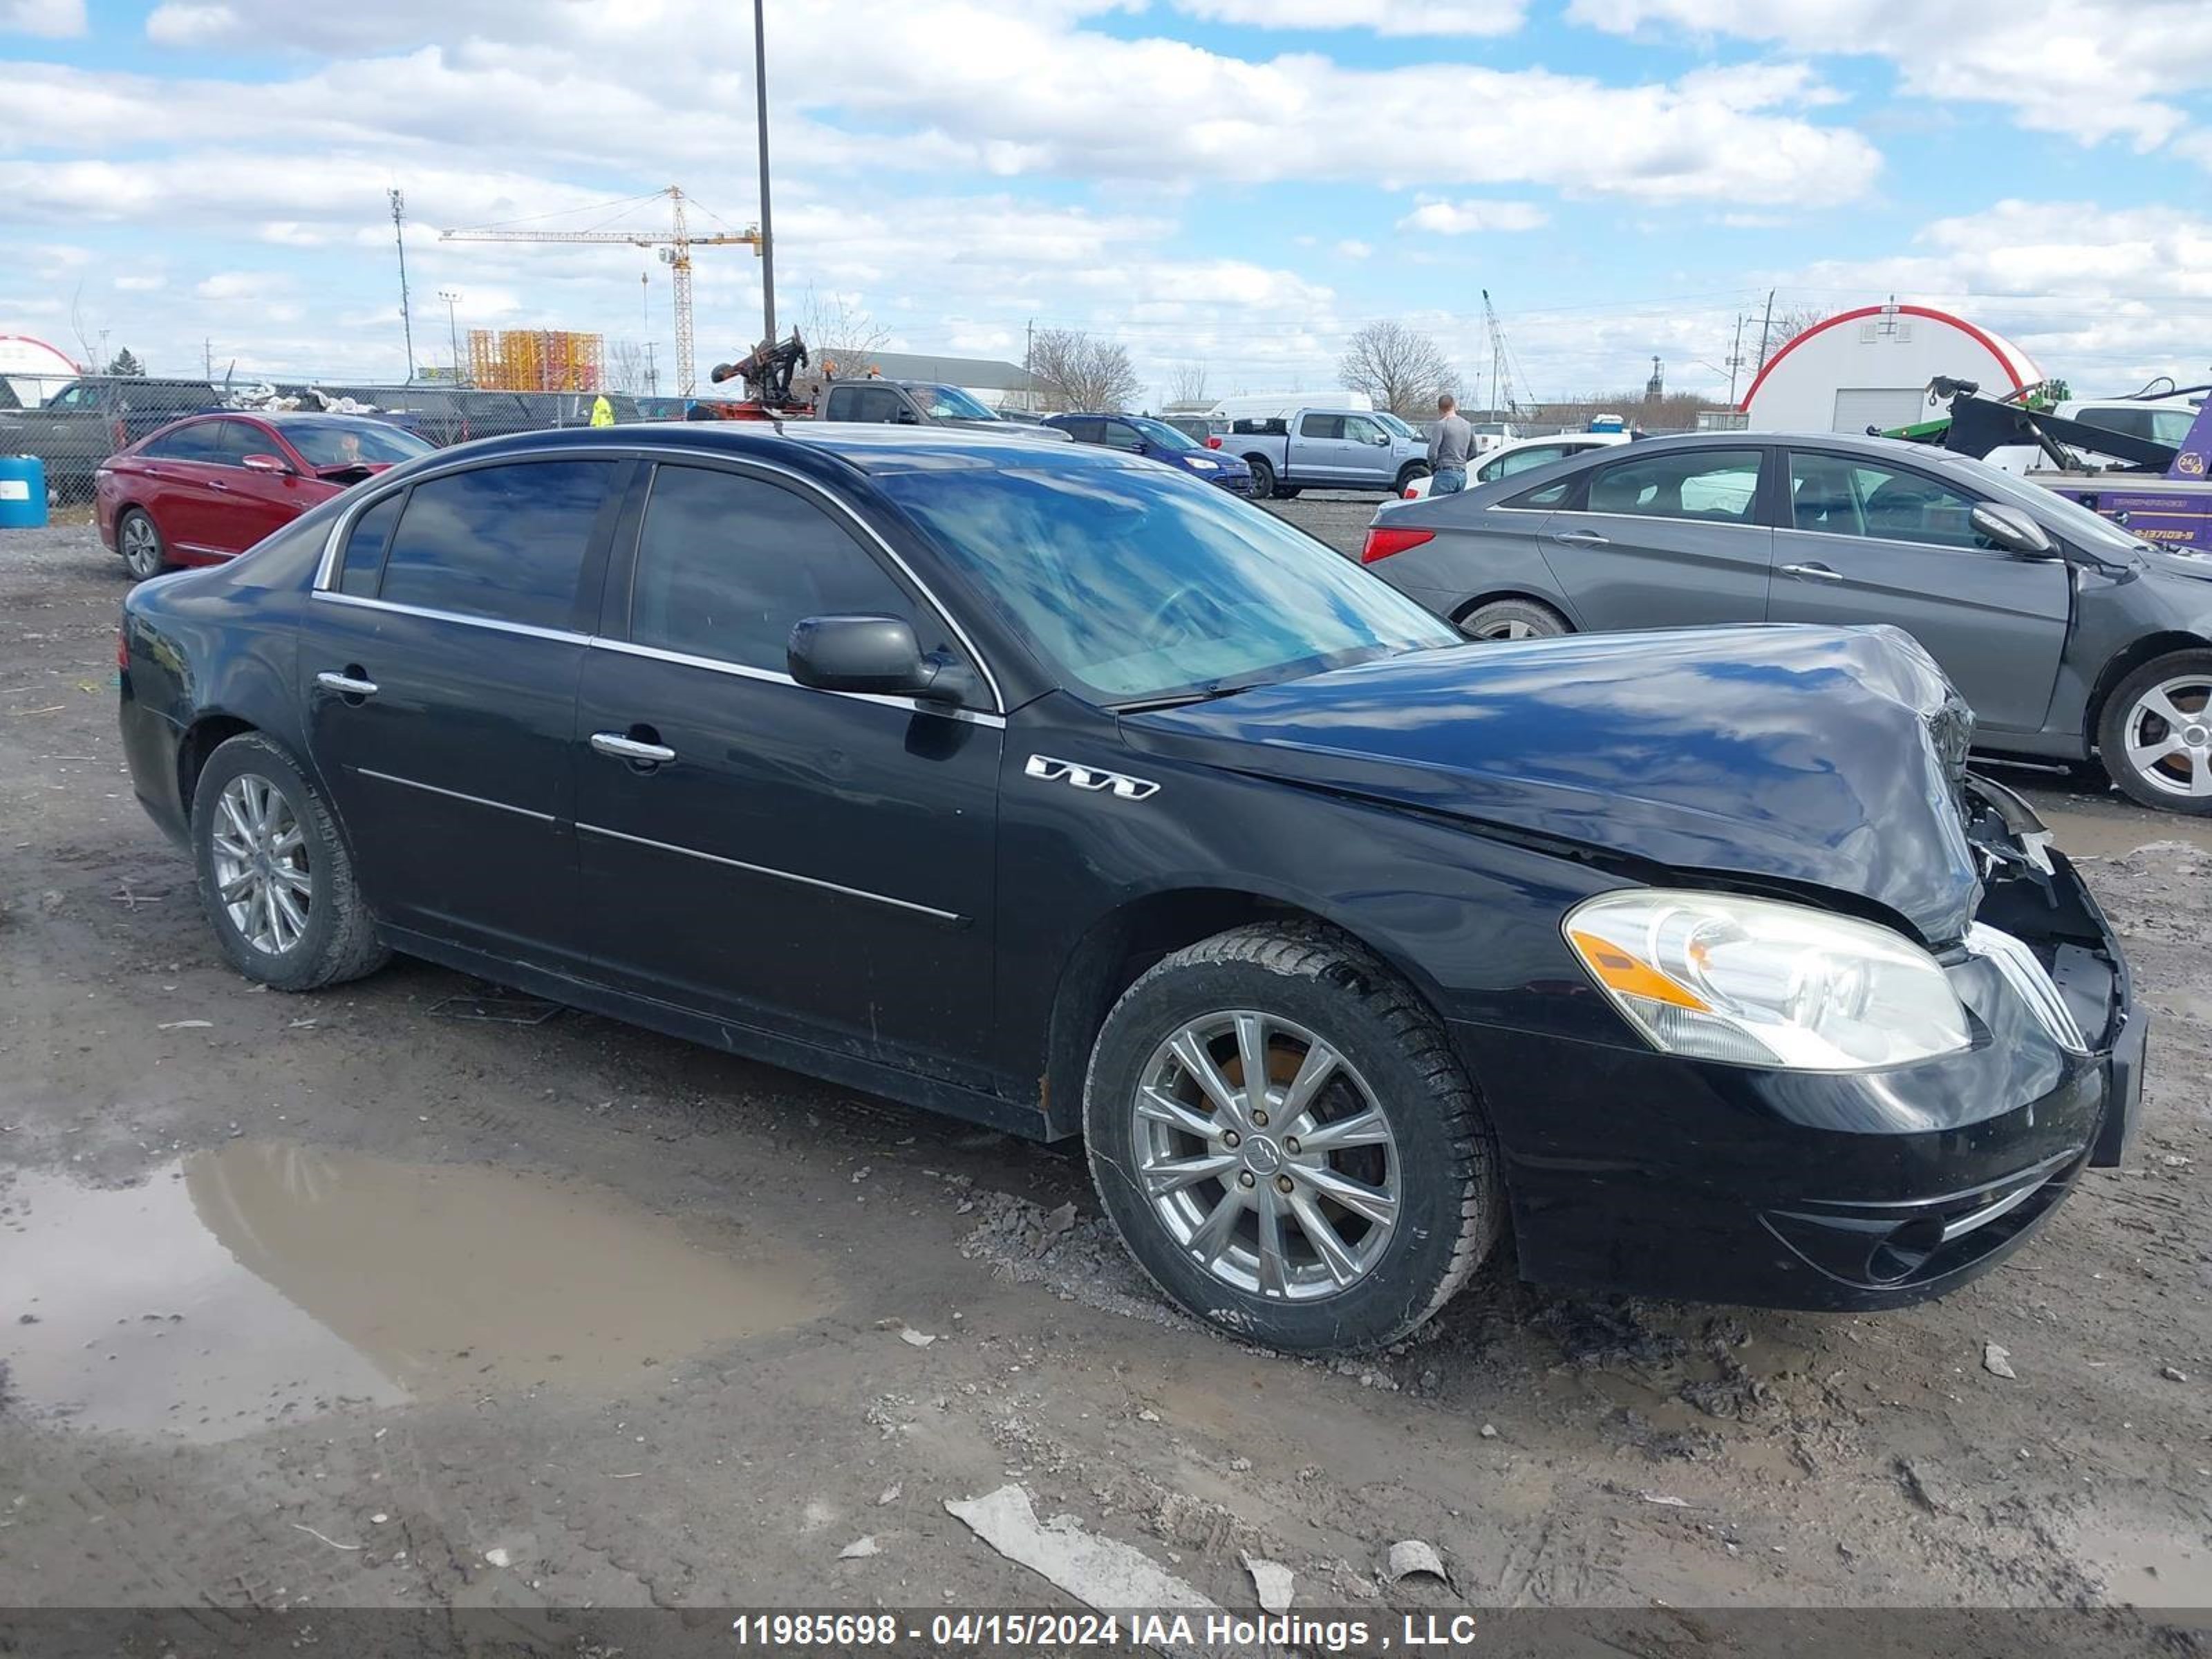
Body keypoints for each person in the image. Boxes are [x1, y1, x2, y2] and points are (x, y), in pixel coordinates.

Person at [1428, 393, 1472, 495]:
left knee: (1434, 508)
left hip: (1445, 473)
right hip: (1462, 474)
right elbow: (1473, 451)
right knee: (1453, 509)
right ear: (1454, 406)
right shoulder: (1467, 425)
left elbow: (1432, 453)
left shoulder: (1441, 425)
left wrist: (1433, 467)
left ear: (1439, 409)